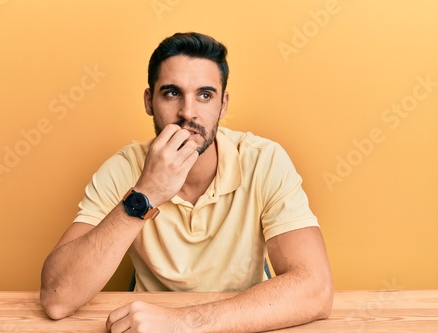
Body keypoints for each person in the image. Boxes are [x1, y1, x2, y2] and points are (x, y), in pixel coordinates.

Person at [40, 32, 333, 332]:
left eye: (205, 95)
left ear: (223, 105)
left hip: (243, 322)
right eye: (171, 93)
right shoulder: (123, 168)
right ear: (149, 101)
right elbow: (57, 298)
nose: (188, 113)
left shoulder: (264, 161)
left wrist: (181, 323)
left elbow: (315, 288)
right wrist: (145, 193)